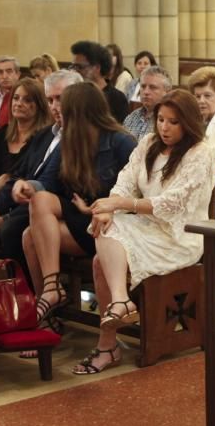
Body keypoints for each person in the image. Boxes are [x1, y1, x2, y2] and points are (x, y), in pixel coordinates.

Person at [73, 90, 213, 374]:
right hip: (146, 227)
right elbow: (125, 180)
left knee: (107, 243)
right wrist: (109, 207)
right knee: (105, 233)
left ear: (187, 122)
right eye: (161, 119)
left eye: (173, 121)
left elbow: (174, 203)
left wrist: (121, 204)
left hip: (180, 235)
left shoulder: (201, 152)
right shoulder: (148, 142)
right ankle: (119, 309)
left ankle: (109, 340)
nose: (164, 127)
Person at [17, 83, 135, 330]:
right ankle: (50, 301)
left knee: (32, 230)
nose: (57, 110)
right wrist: (28, 186)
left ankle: (50, 296)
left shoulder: (120, 142)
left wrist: (95, 209)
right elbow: (47, 184)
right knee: (31, 226)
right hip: (82, 220)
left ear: (80, 112)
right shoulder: (69, 141)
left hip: (112, 226)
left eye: (64, 106)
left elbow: (136, 194)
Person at [0, 71, 79, 257]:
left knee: (11, 229)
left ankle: (26, 286)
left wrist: (4, 218)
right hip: (26, 203)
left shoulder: (78, 137)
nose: (55, 106)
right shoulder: (44, 136)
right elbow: (16, 176)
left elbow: (51, 185)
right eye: (50, 100)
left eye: (60, 99)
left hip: (57, 206)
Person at [0, 78, 51, 204]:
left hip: (15, 203)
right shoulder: (2, 133)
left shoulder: (43, 138)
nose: (18, 103)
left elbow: (8, 177)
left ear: (39, 105)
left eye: (27, 100)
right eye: (16, 98)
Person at [70, 40, 129, 123]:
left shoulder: (116, 99)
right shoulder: (74, 95)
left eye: (80, 67)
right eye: (73, 66)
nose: (75, 71)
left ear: (97, 68)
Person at [122, 66, 172, 139]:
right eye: (143, 86)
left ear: (167, 92)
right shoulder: (132, 117)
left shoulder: (169, 121)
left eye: (153, 87)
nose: (146, 92)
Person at [0, 57, 20, 130]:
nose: (4, 76)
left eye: (9, 71)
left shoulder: (22, 99)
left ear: (17, 74)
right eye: (0, 72)